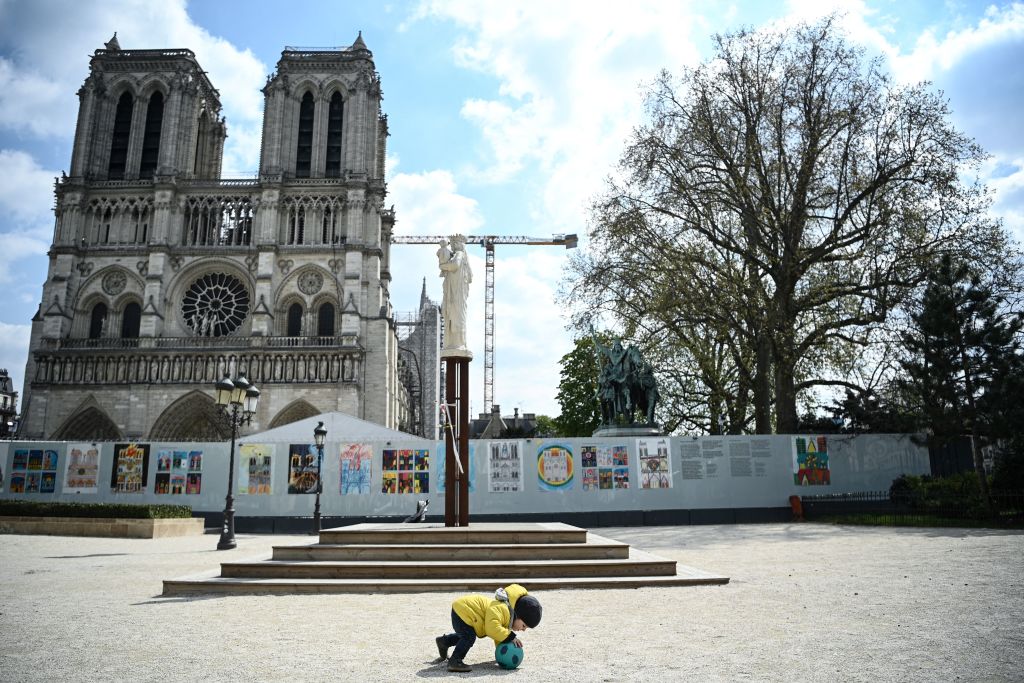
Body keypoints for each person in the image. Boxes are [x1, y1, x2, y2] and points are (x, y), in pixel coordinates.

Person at [434, 583, 542, 672]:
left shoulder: (507, 615)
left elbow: (498, 635)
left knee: (465, 635)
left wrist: (502, 653)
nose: (523, 629)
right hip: (463, 610)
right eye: (524, 625)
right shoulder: (502, 609)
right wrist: (510, 637)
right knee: (468, 637)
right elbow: (492, 629)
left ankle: (444, 642)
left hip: (465, 612)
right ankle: (455, 661)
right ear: (518, 615)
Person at [439, 234, 472, 350]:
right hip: (457, 291)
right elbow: (470, 277)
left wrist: (443, 266)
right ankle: (457, 342)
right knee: (456, 315)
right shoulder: (463, 257)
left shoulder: (459, 254)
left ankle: (456, 343)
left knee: (456, 315)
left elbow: (455, 265)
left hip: (456, 292)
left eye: (453, 244)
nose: (452, 246)